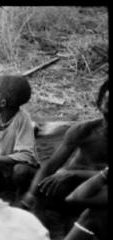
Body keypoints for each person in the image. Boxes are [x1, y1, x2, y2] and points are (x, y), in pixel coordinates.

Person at [21, 79, 108, 215]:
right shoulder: (84, 130)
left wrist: (73, 174)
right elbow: (50, 166)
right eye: (107, 103)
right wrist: (31, 195)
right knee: (42, 185)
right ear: (100, 104)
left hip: (97, 188)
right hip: (68, 185)